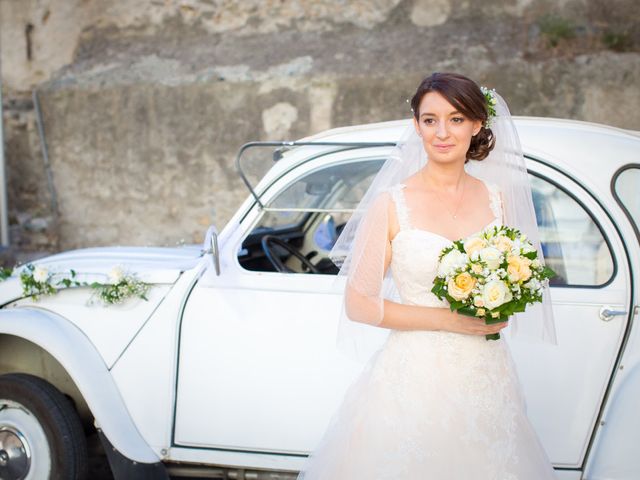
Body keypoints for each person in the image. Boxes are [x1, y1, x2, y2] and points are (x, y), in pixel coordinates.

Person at [295, 72, 557, 479]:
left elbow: (517, 279)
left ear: (476, 125)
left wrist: (500, 300)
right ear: (416, 125)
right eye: (430, 119)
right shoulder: (391, 204)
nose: (442, 132)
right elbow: (359, 304)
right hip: (414, 376)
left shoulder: (499, 201)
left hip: (485, 374)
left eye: (455, 119)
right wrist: (450, 321)